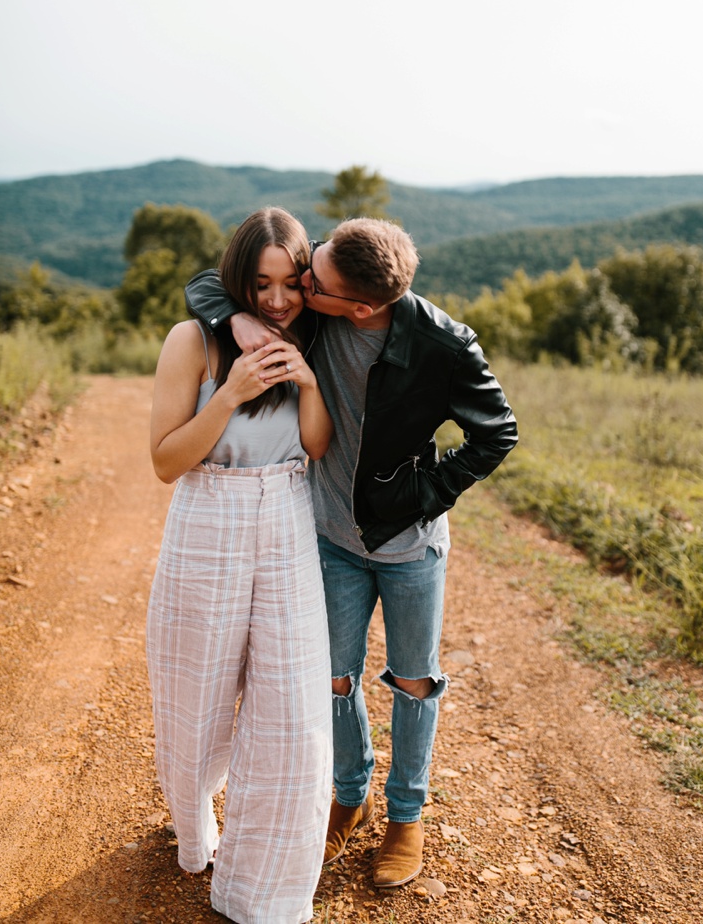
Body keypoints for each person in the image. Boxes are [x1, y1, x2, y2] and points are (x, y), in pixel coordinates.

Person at [186, 216, 518, 889]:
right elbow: (209, 283)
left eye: (315, 280)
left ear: (359, 305)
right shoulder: (317, 309)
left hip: (411, 547)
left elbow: (497, 434)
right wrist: (237, 322)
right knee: (333, 679)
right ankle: (349, 795)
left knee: (413, 680)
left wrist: (419, 493)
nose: (301, 284)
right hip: (331, 538)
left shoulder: (445, 345)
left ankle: (406, 818)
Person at [147, 206, 333, 923]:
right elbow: (165, 462)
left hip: (287, 516)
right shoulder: (192, 340)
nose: (279, 300)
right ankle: (194, 835)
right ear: (237, 281)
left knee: (292, 704)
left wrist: (309, 382)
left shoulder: (310, 330)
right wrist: (229, 394)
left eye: (291, 283)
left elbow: (314, 447)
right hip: (207, 515)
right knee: (194, 698)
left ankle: (264, 890)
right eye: (262, 285)